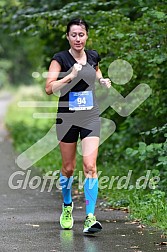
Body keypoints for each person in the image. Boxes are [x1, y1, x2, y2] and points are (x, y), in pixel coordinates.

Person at [45, 18, 111, 234]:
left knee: (90, 167)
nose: (77, 39)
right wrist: (70, 76)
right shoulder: (60, 59)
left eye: (81, 34)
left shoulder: (92, 55)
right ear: (68, 37)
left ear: (86, 36)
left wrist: (102, 81)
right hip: (67, 118)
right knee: (68, 168)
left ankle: (90, 217)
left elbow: (96, 71)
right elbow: (49, 88)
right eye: (73, 35)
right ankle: (67, 206)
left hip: (90, 116)